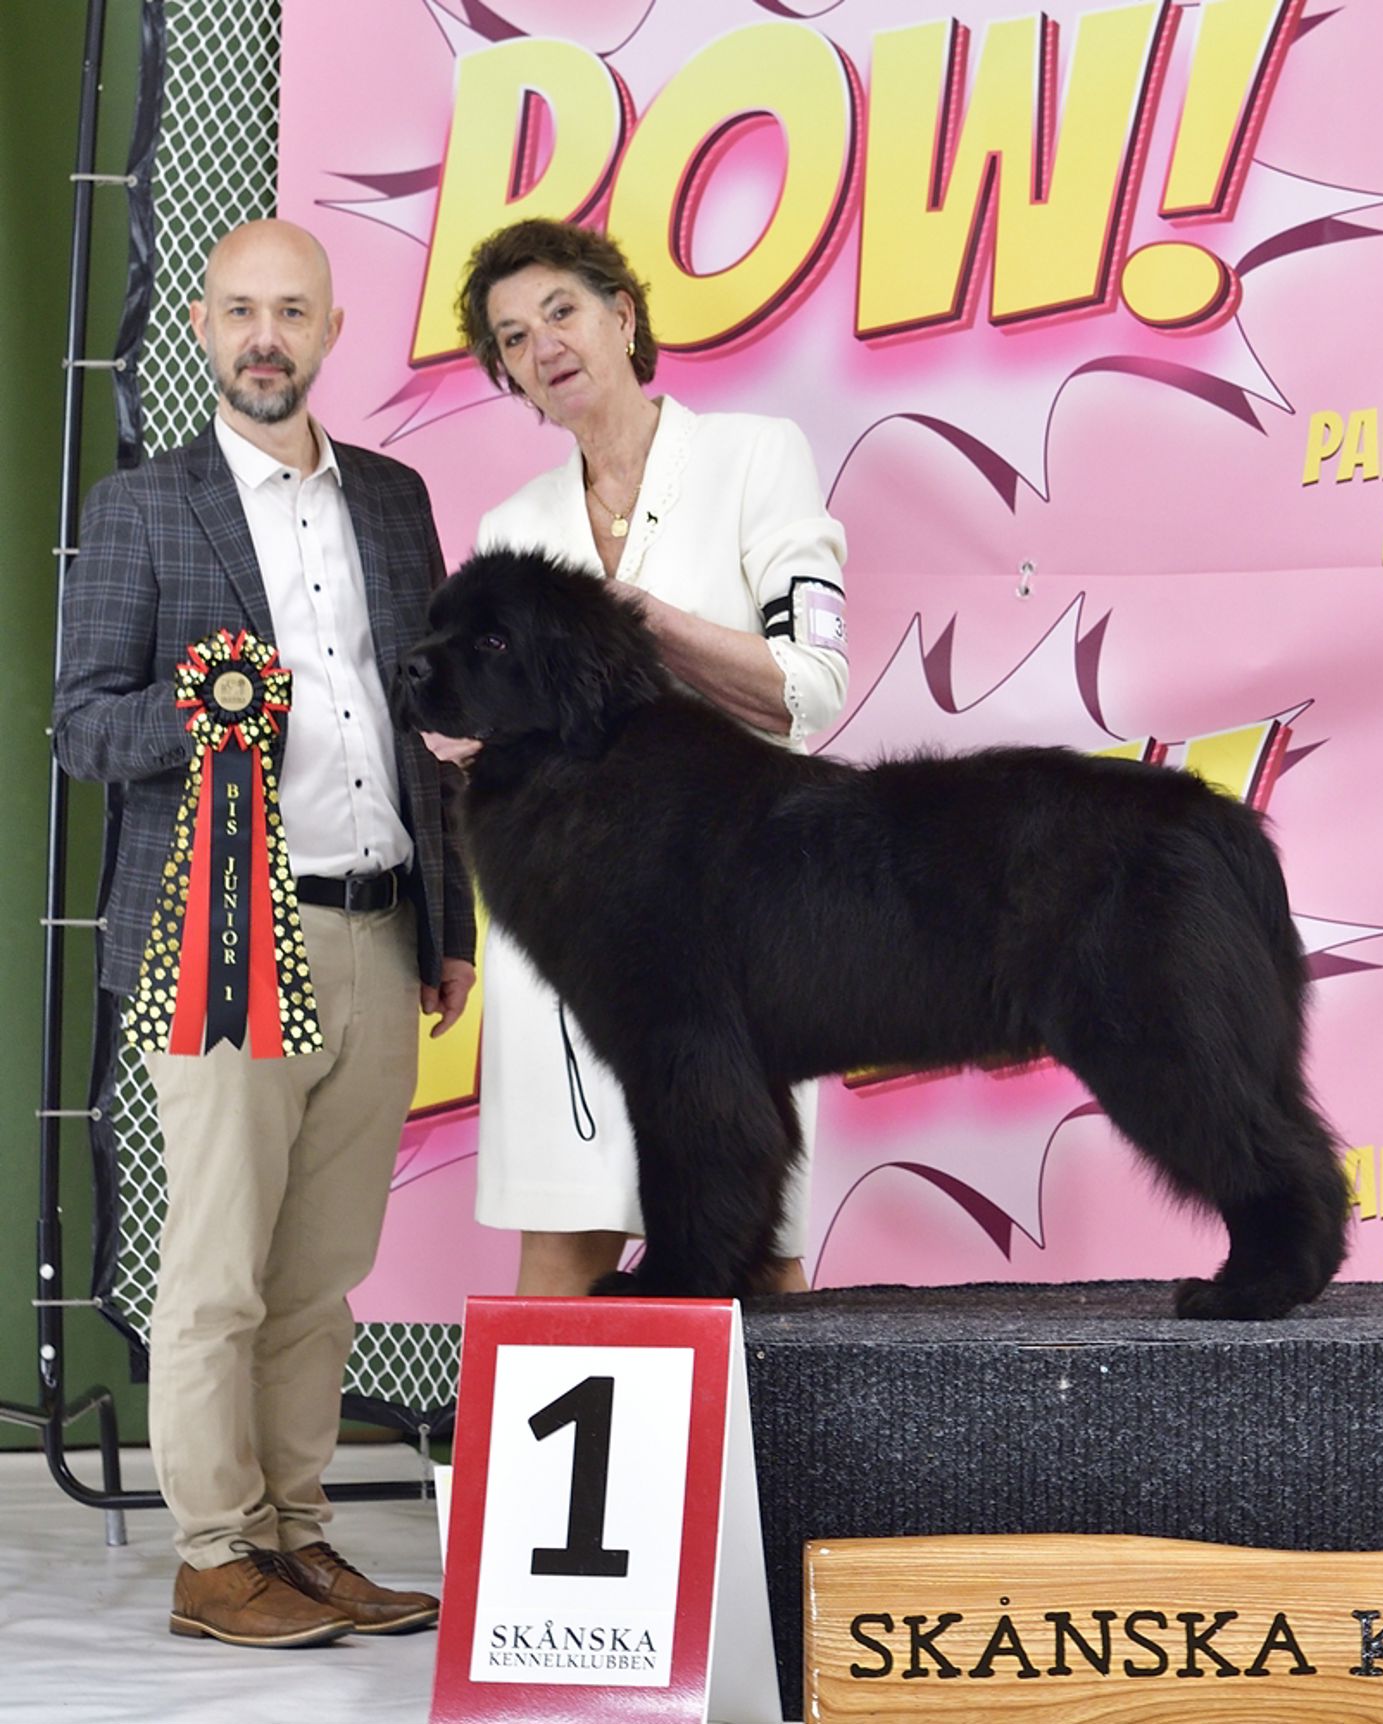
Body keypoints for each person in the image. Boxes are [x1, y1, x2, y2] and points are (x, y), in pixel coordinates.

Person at [52, 220, 477, 1648]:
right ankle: (214, 1551)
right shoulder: (141, 508)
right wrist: (211, 704)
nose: (265, 337)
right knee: (220, 1268)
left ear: (332, 329)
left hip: (378, 924)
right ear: (201, 325)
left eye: (291, 311)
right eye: (240, 310)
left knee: (321, 1275)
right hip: (218, 936)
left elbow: (429, 730)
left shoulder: (398, 501)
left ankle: (296, 1535)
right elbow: (81, 726)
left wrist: (452, 924)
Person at [422, 217, 848, 1297]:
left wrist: (638, 621)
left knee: (755, 1260)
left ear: (622, 314)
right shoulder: (511, 528)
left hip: (729, 939)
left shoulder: (756, 457)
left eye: (560, 310)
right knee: (559, 1267)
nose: (545, 346)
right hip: (567, 949)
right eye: (514, 338)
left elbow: (809, 691)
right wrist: (465, 741)